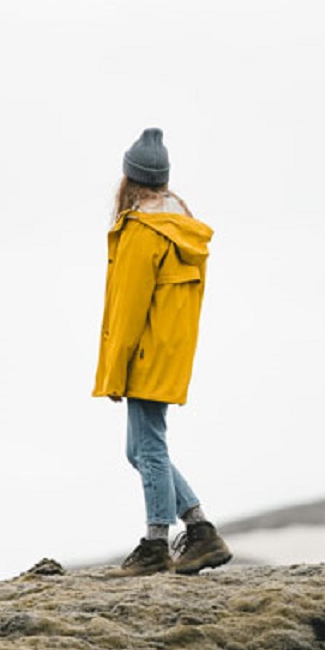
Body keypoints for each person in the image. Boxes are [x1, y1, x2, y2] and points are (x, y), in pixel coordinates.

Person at [93, 127, 232, 576]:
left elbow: (130, 308)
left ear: (129, 180)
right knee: (140, 449)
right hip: (170, 349)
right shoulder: (181, 226)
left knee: (148, 448)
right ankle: (199, 529)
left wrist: (115, 369)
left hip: (145, 351)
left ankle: (156, 544)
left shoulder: (142, 231)